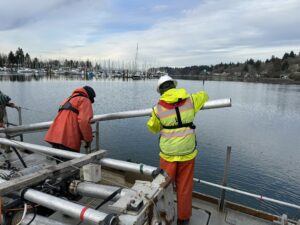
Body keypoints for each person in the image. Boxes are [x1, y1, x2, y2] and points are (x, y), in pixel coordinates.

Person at [147, 75, 208, 225]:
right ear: (174, 86)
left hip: (168, 155)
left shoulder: (157, 109)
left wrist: (157, 117)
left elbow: (152, 128)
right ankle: (183, 219)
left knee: (164, 186)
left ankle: (163, 216)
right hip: (187, 153)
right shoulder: (191, 100)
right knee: (185, 187)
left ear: (161, 91)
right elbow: (204, 95)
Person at [45, 86, 96, 155]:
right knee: (70, 165)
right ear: (89, 96)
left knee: (61, 164)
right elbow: (84, 121)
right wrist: (88, 139)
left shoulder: (68, 99)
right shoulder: (84, 100)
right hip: (68, 140)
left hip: (54, 137)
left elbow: (70, 118)